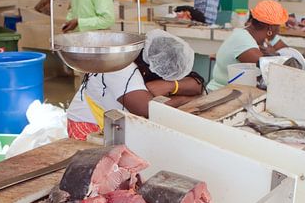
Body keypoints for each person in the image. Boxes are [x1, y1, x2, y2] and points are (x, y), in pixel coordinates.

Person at [66, 30, 205, 140]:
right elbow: (145, 108)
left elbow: (197, 84)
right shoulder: (122, 66)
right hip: (90, 126)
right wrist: (187, 100)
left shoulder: (151, 65)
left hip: (116, 123)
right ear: (155, 63)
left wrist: (170, 86)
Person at [207, 0, 289, 92]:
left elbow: (288, 51)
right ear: (270, 27)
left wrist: (276, 54)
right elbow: (272, 72)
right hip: (221, 95)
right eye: (279, 26)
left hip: (236, 93)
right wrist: (276, 55)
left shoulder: (259, 36)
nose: (279, 30)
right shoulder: (243, 41)